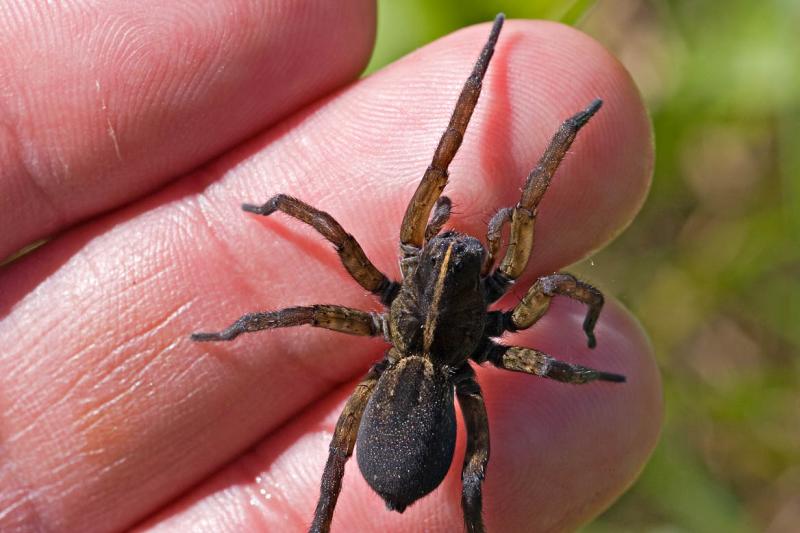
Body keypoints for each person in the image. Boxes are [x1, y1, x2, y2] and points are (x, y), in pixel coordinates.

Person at [0, 3, 660, 531]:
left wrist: (279, 217)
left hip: (410, 403)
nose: (455, 251)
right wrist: (584, 349)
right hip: (427, 399)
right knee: (474, 470)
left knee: (455, 465)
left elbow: (344, 242)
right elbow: (538, 281)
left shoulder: (392, 292)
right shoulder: (491, 321)